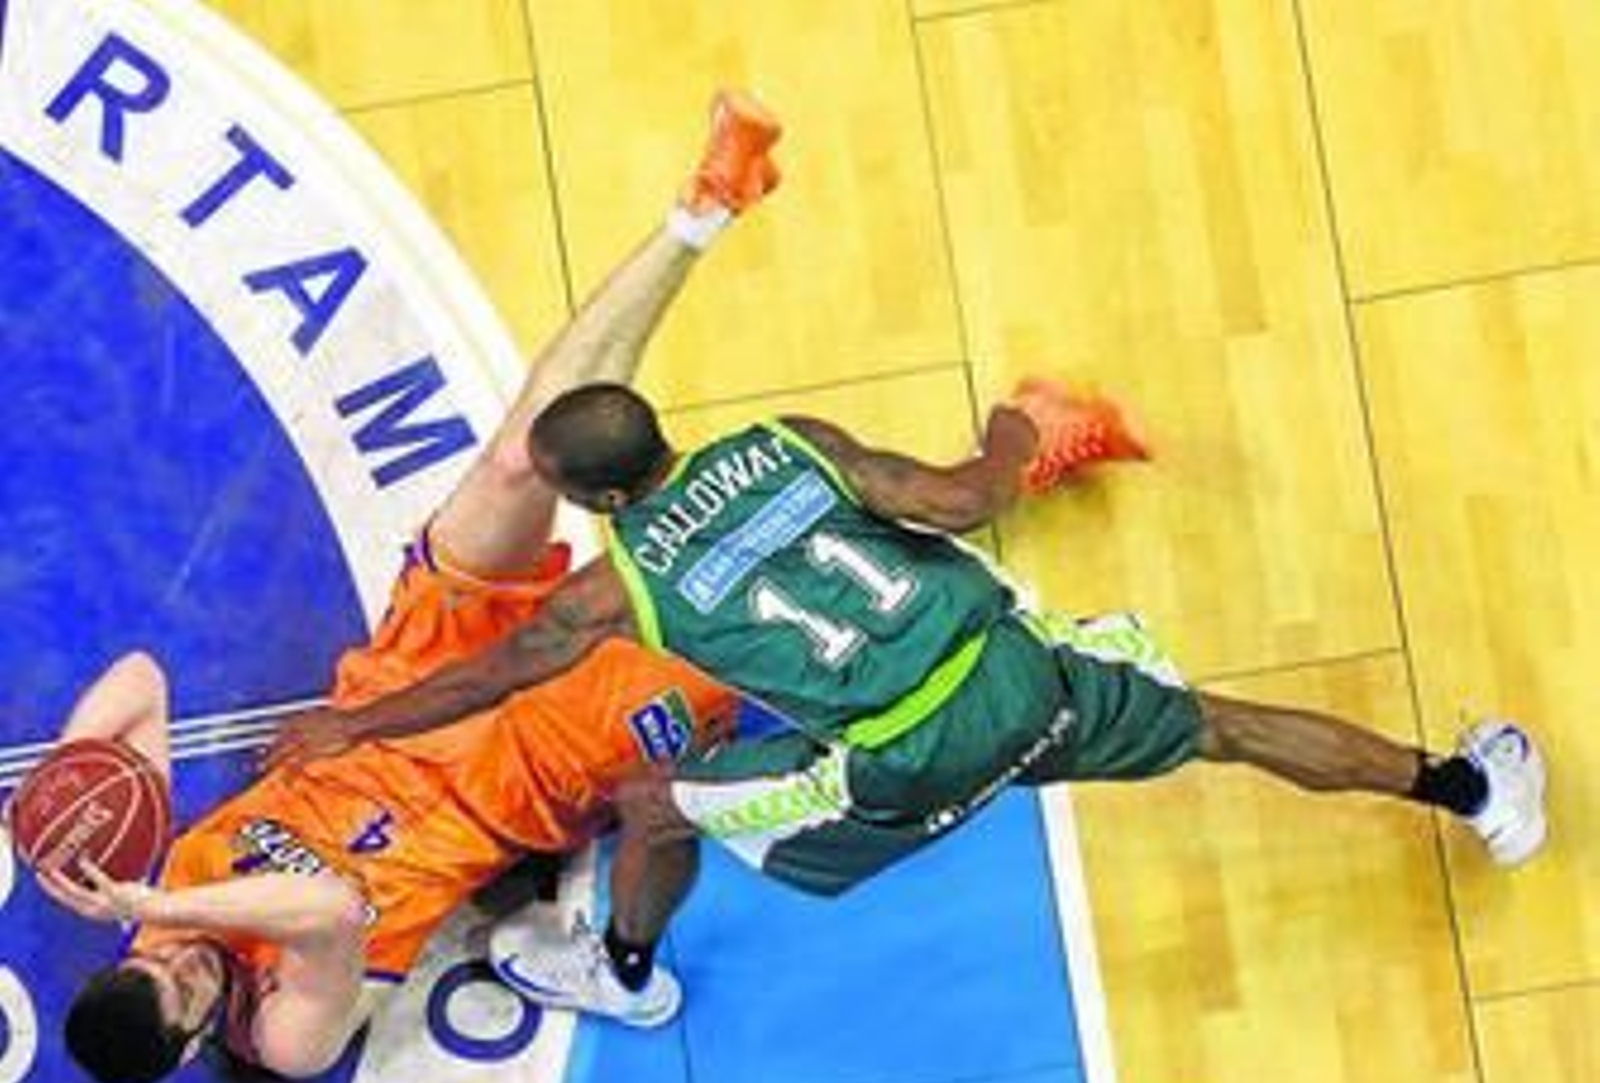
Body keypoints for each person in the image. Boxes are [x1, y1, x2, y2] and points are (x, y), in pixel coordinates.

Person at [263, 105, 1548, 1031]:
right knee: (1218, 725)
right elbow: (956, 501)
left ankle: (628, 972)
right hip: (1019, 675)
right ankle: (1471, 787)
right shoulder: (791, 445)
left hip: (892, 760)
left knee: (656, 803)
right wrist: (1016, 426)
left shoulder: (616, 591)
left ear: (595, 501)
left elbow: (481, 676)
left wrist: (352, 723)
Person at [25, 92, 793, 1083]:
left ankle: (708, 204)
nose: (172, 955)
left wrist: (61, 790)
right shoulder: (282, 1032)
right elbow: (332, 915)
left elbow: (138, 681)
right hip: (525, 763)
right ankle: (997, 480)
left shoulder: (151, 890)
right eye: (177, 983)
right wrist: (167, 911)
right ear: (190, 1039)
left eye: (149, 959)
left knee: (526, 453)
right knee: (731, 578)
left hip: (409, 673)